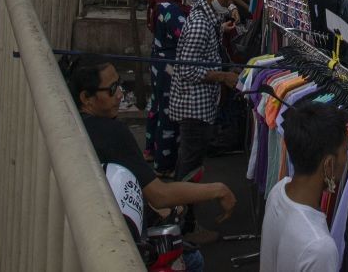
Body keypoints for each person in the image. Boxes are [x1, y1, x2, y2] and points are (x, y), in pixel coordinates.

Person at [69, 53, 236, 269]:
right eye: (112, 89)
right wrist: (218, 190)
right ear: (86, 98)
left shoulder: (76, 123)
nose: (120, 94)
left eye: (119, 85)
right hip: (119, 239)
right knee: (193, 260)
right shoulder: (112, 132)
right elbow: (159, 195)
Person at [169, 0, 249, 242]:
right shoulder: (200, 24)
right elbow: (186, 70)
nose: (229, 2)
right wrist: (222, 76)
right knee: (189, 168)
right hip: (193, 109)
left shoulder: (208, 16)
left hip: (200, 106)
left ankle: (184, 222)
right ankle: (185, 227)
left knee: (190, 164)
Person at [259, 103, 348, 272]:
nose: (347, 159)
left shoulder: (278, 190)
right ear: (329, 164)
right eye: (345, 151)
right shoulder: (320, 248)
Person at [144, 0, 190, 175]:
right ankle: (164, 165)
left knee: (156, 106)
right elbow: (185, 34)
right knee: (168, 113)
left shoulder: (158, 3)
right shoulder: (168, 8)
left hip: (158, 63)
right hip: (169, 68)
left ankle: (151, 150)